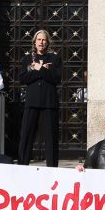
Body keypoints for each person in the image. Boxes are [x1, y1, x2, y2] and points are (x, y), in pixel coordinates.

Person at [17, 29, 62, 167]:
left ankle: (52, 168)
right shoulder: (27, 59)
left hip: (49, 103)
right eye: (39, 40)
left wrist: (40, 69)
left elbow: (56, 78)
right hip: (32, 102)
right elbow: (23, 78)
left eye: (44, 40)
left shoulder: (55, 58)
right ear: (34, 42)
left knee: (51, 138)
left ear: (48, 42)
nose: (41, 42)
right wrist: (41, 71)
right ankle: (22, 166)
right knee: (26, 136)